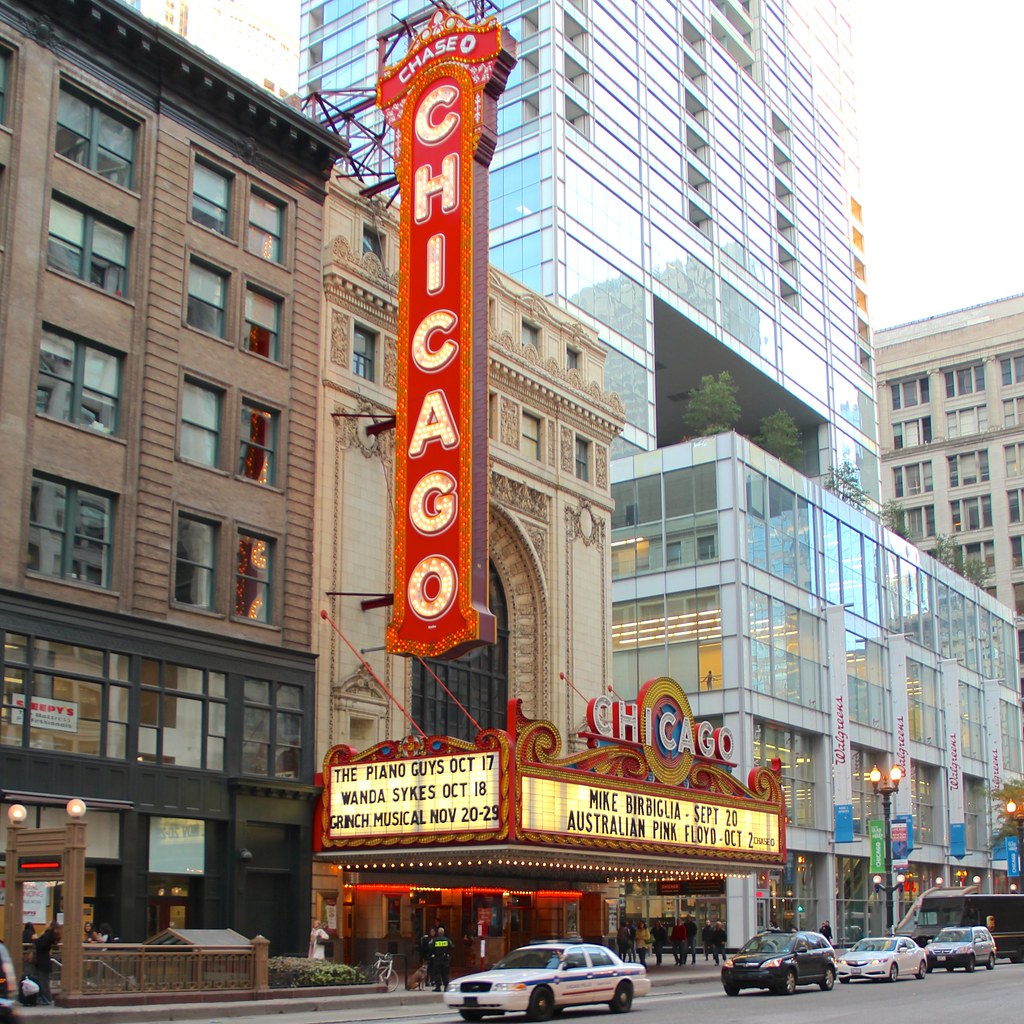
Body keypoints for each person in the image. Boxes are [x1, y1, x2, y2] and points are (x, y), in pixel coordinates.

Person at [33, 920, 60, 1006]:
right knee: (42, 980)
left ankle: (47, 999)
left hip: (43, 960)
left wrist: (35, 939)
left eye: (48, 923)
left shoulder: (48, 935)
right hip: (43, 960)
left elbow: (41, 945)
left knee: (43, 981)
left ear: (51, 926)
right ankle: (44, 998)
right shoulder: (49, 934)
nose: (46, 924)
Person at [430, 925, 452, 991]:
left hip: (437, 959)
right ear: (443, 933)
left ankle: (438, 987)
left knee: (437, 973)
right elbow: (451, 946)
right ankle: (446, 987)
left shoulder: (435, 940)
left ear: (438, 933)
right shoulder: (447, 940)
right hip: (445, 959)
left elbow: (430, 948)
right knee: (445, 973)